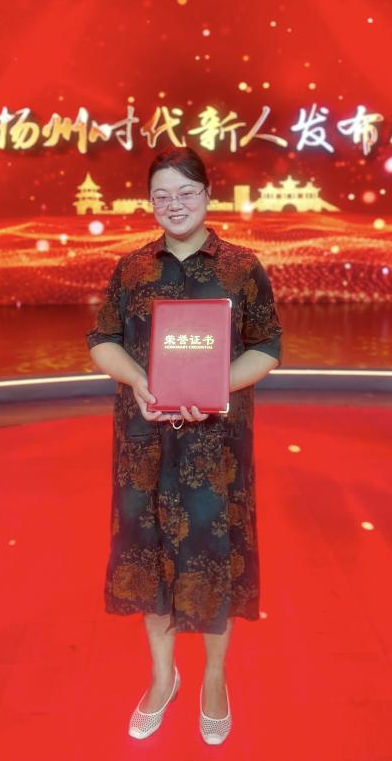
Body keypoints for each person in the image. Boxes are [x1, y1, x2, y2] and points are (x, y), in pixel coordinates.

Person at [86, 145, 282, 745]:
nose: (174, 205)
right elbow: (102, 340)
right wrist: (138, 380)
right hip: (144, 439)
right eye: (162, 196)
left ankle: (214, 680)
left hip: (214, 446)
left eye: (186, 193)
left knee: (213, 556)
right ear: (150, 202)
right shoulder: (131, 269)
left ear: (207, 196)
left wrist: (213, 387)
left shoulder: (241, 267)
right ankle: (162, 677)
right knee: (148, 556)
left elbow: (267, 347)